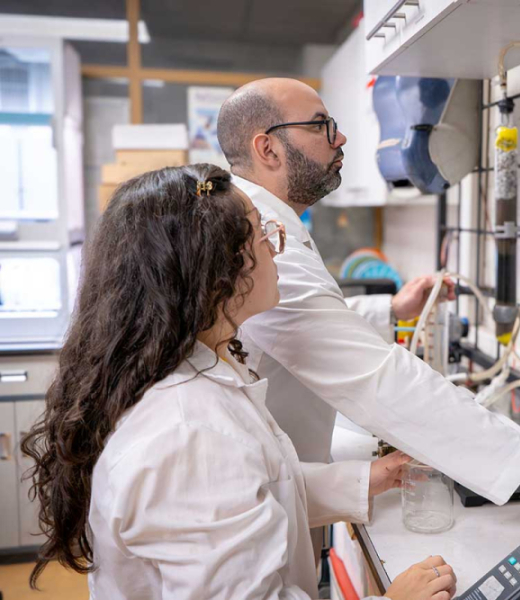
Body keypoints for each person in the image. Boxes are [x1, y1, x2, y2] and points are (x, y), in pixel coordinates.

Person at [20, 164, 457, 600]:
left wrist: (369, 478)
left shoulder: (198, 367)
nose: (276, 245)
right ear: (214, 269)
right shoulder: (189, 432)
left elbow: (256, 490)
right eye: (261, 231)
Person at [216, 78, 520, 509]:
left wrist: (391, 309)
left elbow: (299, 321)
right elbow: (377, 378)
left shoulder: (264, 223)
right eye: (320, 126)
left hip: (279, 479)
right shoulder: (262, 239)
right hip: (254, 501)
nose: (340, 138)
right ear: (268, 149)